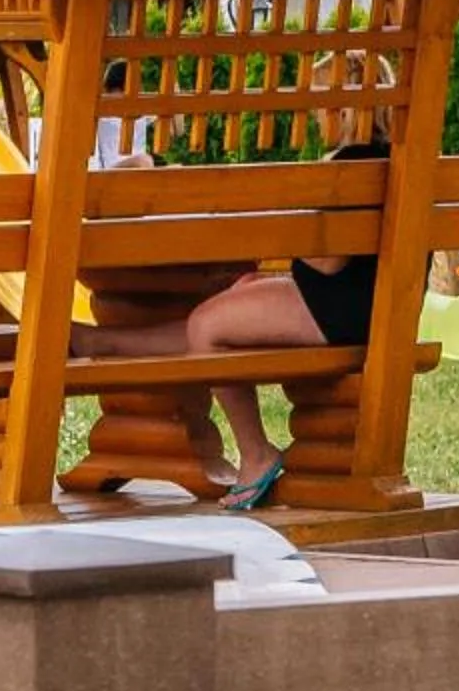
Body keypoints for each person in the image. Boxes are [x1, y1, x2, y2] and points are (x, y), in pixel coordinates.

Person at [73, 138, 386, 511]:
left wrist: (264, 224)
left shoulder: (357, 162)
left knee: (207, 327)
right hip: (353, 307)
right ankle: (103, 344)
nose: (318, 114)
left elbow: (327, 260)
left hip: (338, 313)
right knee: (213, 314)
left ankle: (256, 454)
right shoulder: (384, 156)